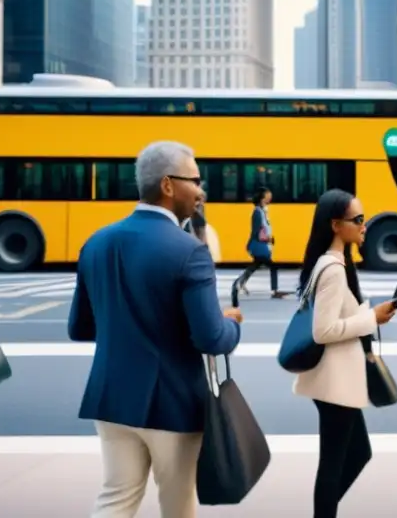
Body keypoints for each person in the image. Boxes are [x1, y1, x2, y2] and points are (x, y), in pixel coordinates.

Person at [68, 141, 243, 518]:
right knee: (177, 502)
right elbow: (210, 338)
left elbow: (80, 328)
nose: (201, 190)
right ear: (168, 185)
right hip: (172, 401)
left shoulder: (96, 243)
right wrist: (231, 326)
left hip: (111, 397)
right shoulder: (190, 250)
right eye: (195, 180)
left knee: (115, 499)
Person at [291, 189, 397, 518]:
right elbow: (323, 330)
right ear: (336, 225)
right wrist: (371, 318)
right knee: (334, 464)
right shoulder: (333, 269)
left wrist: (368, 319)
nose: (365, 225)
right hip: (334, 383)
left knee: (355, 454)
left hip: (338, 381)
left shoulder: (336, 263)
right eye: (359, 220)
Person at [238, 186, 287, 299]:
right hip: (259, 246)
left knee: (255, 265)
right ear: (261, 198)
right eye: (267, 196)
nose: (270, 198)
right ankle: (275, 291)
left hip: (259, 245)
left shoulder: (262, 211)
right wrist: (267, 238)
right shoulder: (257, 212)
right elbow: (257, 231)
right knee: (273, 267)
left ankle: (239, 283)